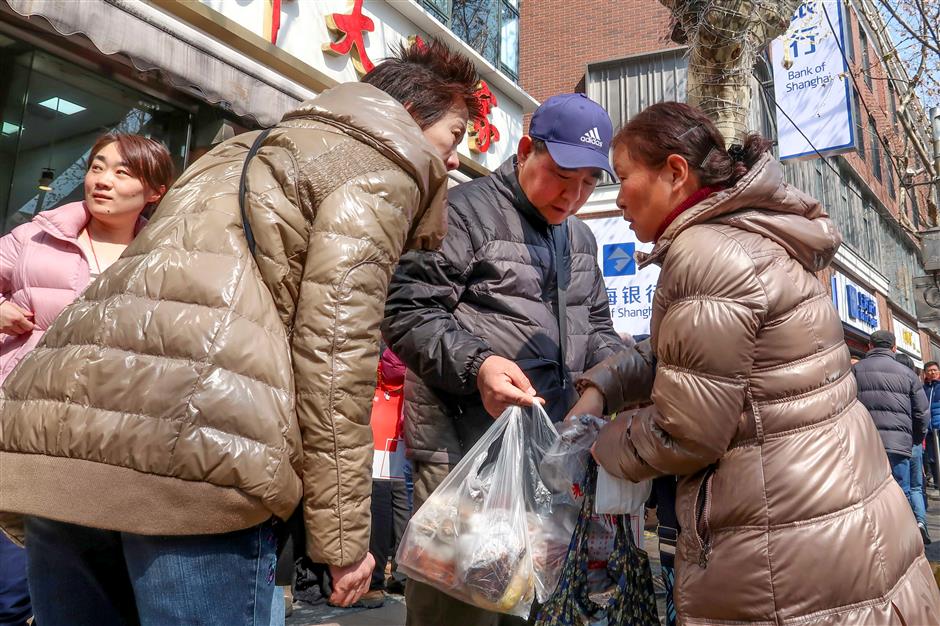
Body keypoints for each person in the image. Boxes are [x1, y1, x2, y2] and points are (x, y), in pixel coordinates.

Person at [0, 38, 480, 626]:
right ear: (409, 118)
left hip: (60, 437)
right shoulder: (380, 166)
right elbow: (335, 354)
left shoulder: (237, 152)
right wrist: (342, 542)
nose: (454, 160)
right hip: (196, 460)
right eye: (455, 136)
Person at [570, 102, 940, 624]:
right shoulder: (749, 235)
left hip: (787, 545)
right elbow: (687, 357)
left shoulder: (705, 254)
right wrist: (603, 386)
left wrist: (597, 443)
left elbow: (688, 431)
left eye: (624, 176)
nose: (618, 196)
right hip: (834, 517)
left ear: (675, 172)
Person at [383, 92, 625, 625]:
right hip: (462, 456)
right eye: (564, 175)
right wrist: (479, 366)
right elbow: (406, 311)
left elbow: (598, 328)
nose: (575, 195)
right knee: (458, 612)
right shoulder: (462, 211)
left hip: (544, 463)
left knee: (524, 604)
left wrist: (611, 380)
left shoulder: (580, 238)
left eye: (589, 182)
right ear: (524, 150)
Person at [0, 133, 173, 626]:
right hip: (20, 424)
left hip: (107, 442)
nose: (102, 180)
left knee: (83, 589)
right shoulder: (36, 236)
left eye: (124, 172)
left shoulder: (163, 256)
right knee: (11, 589)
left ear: (155, 191)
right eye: (98, 166)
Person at [853, 331, 930, 544]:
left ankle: (874, 540)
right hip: (898, 446)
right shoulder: (907, 374)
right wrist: (915, 438)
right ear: (894, 348)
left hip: (866, 445)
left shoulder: (856, 370)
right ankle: (901, 540)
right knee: (900, 491)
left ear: (869, 346)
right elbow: (922, 413)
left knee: (868, 493)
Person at [924, 360, 940, 490]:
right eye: (929, 370)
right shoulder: (923, 389)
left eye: (934, 370)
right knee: (932, 458)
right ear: (925, 373)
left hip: (939, 427)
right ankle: (937, 485)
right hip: (928, 430)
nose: (932, 372)